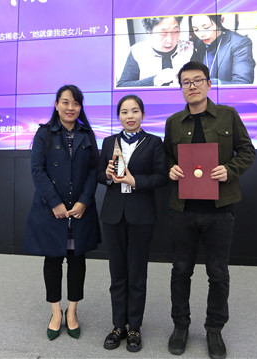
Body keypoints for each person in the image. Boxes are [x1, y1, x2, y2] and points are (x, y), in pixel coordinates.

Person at [163, 62, 256, 359]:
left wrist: (229, 170)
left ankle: (214, 329)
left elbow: (248, 151)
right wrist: (171, 169)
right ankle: (181, 326)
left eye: (197, 80)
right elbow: (166, 158)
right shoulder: (174, 122)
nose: (192, 86)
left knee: (217, 273)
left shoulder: (228, 115)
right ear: (181, 88)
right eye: (186, 82)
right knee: (181, 270)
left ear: (208, 84)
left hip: (220, 209)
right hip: (183, 209)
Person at [23, 84, 101, 341]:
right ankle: (56, 312)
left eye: (76, 103)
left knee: (78, 260)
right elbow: (37, 170)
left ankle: (73, 311)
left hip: (80, 209)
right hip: (51, 209)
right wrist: (55, 203)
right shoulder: (44, 133)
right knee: (53, 260)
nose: (70, 107)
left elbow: (93, 171)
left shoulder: (86, 134)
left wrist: (84, 201)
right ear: (56, 105)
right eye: (65, 102)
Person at [97, 95, 168, 352]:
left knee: (137, 273)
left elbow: (161, 177)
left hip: (141, 215)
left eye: (135, 111)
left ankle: (135, 327)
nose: (130, 116)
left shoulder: (154, 142)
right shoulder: (109, 142)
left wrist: (135, 181)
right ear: (119, 116)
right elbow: (98, 173)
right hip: (113, 214)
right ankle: (118, 325)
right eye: (125, 112)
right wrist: (106, 175)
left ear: (143, 115)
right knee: (117, 273)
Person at [117, 16, 193, 87]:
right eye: (163, 33)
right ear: (149, 32)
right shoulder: (138, 51)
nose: (170, 40)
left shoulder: (190, 48)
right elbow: (122, 85)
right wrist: (155, 80)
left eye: (175, 32)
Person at [189, 14, 255, 85]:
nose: (201, 35)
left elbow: (243, 83)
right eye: (196, 30)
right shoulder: (199, 43)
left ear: (221, 20)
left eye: (206, 28)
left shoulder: (239, 43)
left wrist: (209, 83)